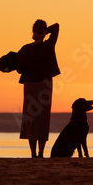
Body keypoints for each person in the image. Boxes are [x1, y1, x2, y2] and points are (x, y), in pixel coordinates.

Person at [16, 19, 60, 158]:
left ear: (33, 31)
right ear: (44, 32)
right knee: (42, 118)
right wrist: (45, 32)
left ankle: (33, 153)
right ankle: (41, 152)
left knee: (30, 118)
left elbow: (19, 69)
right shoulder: (48, 46)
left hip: (30, 85)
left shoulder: (25, 49)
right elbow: (57, 27)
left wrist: (39, 33)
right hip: (44, 85)